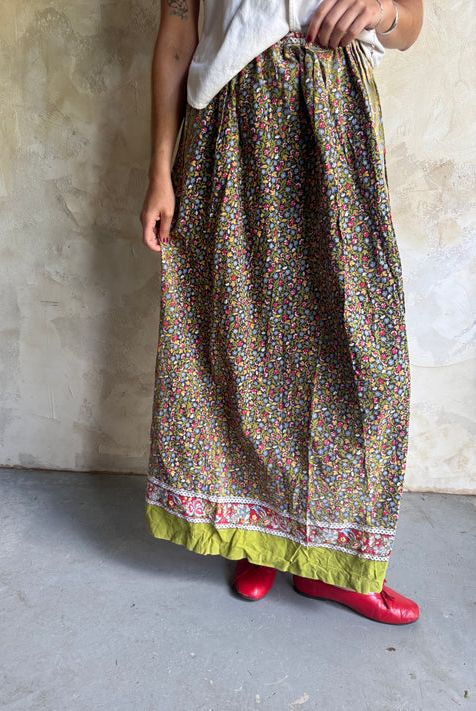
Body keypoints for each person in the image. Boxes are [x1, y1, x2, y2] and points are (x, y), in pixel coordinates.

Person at [140, 0, 423, 624]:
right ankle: (258, 535)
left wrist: (380, 11)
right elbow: (177, 37)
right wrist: (160, 168)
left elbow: (410, 25)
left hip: (335, 121)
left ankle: (337, 559)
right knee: (241, 345)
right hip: (230, 125)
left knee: (363, 352)